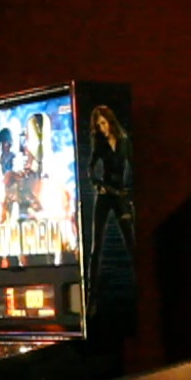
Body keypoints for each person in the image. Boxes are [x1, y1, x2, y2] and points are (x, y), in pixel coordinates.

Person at [85, 105, 135, 281]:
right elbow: (90, 169)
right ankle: (91, 294)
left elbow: (134, 166)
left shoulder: (124, 141)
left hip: (120, 193)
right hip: (105, 194)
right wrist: (97, 185)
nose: (102, 128)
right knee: (96, 245)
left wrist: (129, 192)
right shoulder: (100, 143)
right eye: (99, 125)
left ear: (110, 121)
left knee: (131, 242)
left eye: (103, 123)